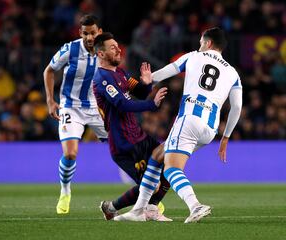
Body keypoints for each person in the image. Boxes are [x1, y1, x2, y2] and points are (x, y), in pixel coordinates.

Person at [114, 27, 243, 223]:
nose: (199, 46)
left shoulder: (193, 56)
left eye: (201, 42)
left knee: (171, 168)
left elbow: (170, 70)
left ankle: (195, 205)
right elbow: (237, 106)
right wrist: (225, 138)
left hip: (189, 118)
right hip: (210, 129)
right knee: (158, 155)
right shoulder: (233, 73)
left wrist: (148, 79)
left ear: (207, 43)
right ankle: (141, 209)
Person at [92, 32, 172, 221]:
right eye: (112, 47)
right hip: (124, 143)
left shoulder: (120, 73)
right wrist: (152, 105)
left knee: (171, 166)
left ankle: (149, 208)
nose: (118, 49)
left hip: (139, 136)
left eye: (117, 45)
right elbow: (122, 104)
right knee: (150, 184)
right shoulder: (102, 78)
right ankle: (112, 207)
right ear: (101, 54)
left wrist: (147, 83)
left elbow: (141, 93)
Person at [43, 15, 107, 214]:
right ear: (80, 33)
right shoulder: (70, 49)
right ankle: (65, 191)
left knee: (124, 148)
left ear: (99, 32)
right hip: (71, 106)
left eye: (93, 33)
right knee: (70, 153)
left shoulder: (105, 50)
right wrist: (50, 100)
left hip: (97, 108)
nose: (89, 37)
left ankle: (148, 195)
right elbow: (49, 71)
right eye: (86, 33)